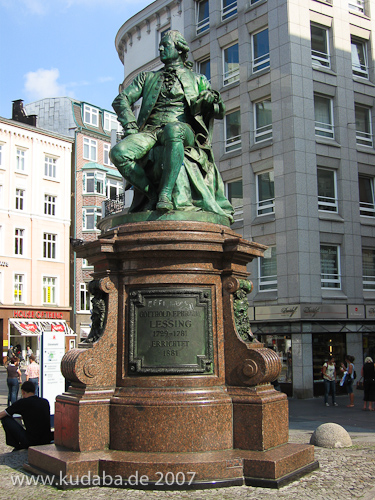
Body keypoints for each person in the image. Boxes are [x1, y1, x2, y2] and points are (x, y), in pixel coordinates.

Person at [110, 30, 233, 220]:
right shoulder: (147, 78)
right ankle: (152, 194)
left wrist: (211, 100)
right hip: (151, 132)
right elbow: (121, 100)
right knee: (118, 152)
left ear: (179, 49)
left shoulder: (197, 79)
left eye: (165, 44)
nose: (161, 48)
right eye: (160, 44)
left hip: (185, 131)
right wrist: (130, 126)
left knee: (172, 129)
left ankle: (166, 194)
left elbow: (220, 111)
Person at [0, 381, 52, 451]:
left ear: (23, 392)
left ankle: (16, 445)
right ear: (34, 391)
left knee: (5, 419)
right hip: (46, 440)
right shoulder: (45, 402)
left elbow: (3, 414)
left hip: (31, 441)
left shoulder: (23, 402)